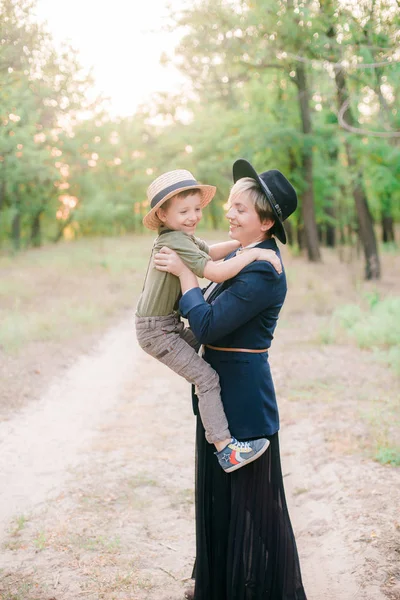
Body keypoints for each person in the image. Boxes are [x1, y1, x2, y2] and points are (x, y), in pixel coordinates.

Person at [154, 159, 308, 600]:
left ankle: (278, 592)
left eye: (240, 208)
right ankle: (221, 586)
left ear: (265, 221)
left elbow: (206, 325)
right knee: (220, 500)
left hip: (242, 402)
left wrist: (184, 275)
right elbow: (205, 260)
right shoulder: (243, 254)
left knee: (260, 511)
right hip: (221, 397)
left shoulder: (263, 269)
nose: (229, 212)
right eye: (231, 204)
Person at [135, 168, 283, 472]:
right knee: (206, 377)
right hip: (158, 331)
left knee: (206, 356)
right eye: (184, 211)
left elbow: (212, 252)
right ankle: (226, 449)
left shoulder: (182, 237)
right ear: (162, 214)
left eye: (197, 209)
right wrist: (254, 255)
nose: (193, 217)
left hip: (168, 326)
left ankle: (222, 439)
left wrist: (243, 248)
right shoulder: (175, 241)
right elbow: (214, 271)